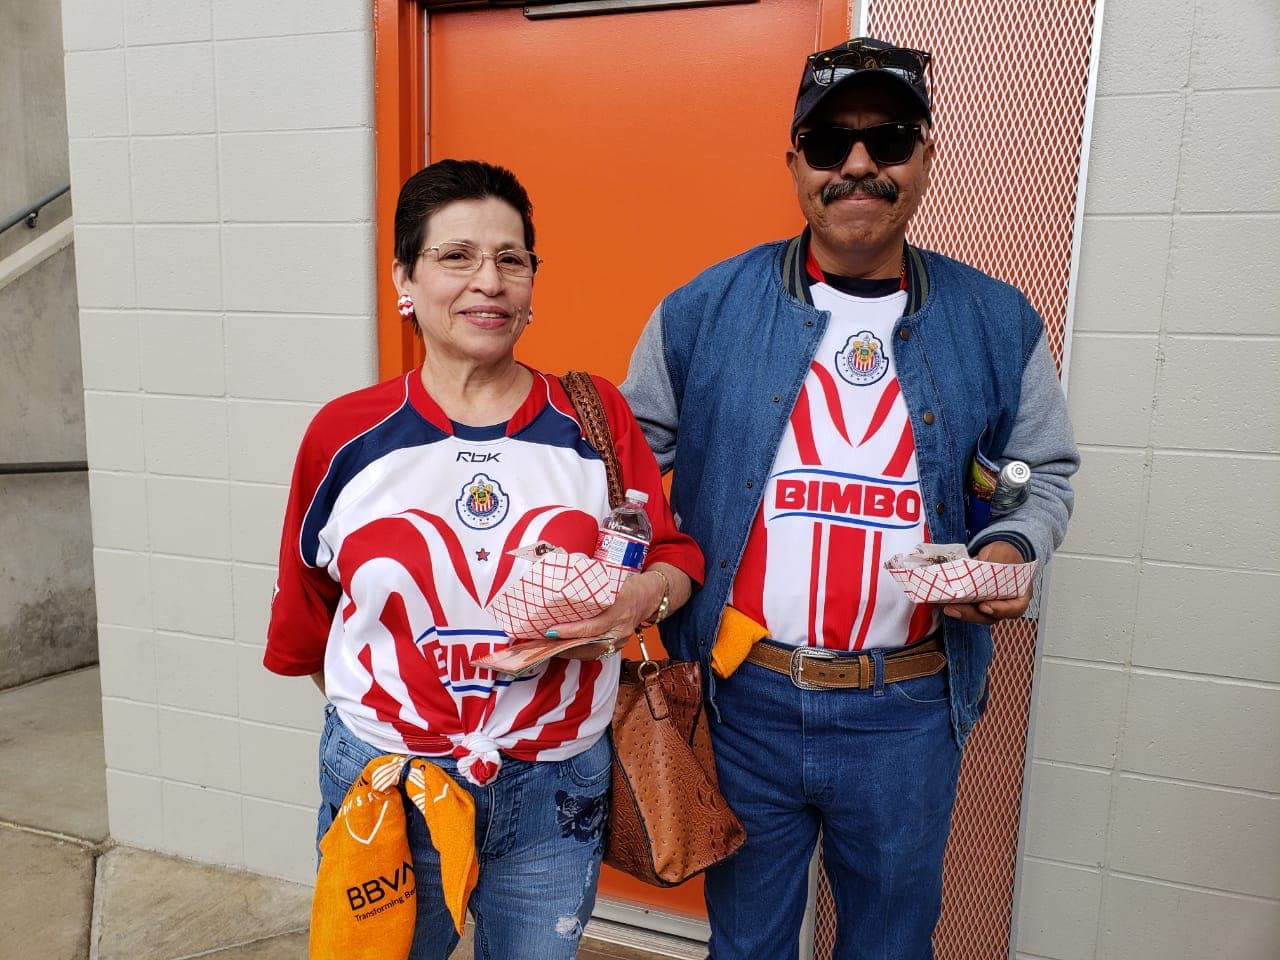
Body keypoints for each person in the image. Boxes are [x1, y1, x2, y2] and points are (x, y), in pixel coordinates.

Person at [621, 37, 1079, 960]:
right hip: (743, 696)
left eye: (888, 139)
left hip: (907, 714)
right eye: (830, 142)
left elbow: (1043, 473)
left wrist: (1008, 553)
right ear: (795, 160)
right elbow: (629, 479)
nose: (858, 165)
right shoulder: (702, 309)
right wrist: (622, 579)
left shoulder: (998, 320)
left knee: (890, 944)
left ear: (926, 155)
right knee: (747, 945)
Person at [264, 159, 703, 960]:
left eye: (511, 259)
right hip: (390, 787)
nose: (489, 281)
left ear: (534, 282)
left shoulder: (593, 418)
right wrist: (396, 719)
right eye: (456, 256)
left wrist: (639, 599)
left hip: (556, 790)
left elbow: (672, 554)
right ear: (405, 276)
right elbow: (309, 617)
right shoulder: (346, 436)